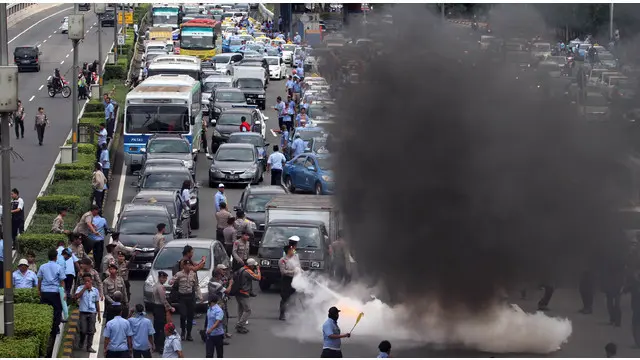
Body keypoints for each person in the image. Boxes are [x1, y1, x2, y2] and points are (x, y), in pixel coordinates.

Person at [170, 259, 202, 341]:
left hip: (190, 297)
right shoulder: (179, 274)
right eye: (186, 265)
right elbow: (172, 280)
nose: (188, 266)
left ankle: (189, 334)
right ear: (183, 266)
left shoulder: (193, 274)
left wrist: (200, 296)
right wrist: (171, 281)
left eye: (189, 265)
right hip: (182, 297)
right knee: (183, 315)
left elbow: (196, 286)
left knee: (190, 316)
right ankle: (183, 332)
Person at [38, 248, 66, 335]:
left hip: (45, 292)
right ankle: (55, 329)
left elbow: (39, 280)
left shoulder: (42, 266)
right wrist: (63, 293)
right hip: (55, 292)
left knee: (45, 310)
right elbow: (62, 282)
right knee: (57, 311)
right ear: (56, 257)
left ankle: (45, 329)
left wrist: (39, 290)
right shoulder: (59, 267)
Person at [75, 272, 101, 353]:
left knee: (91, 331)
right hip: (83, 312)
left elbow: (97, 302)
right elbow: (76, 297)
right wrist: (84, 289)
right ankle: (81, 341)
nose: (87, 283)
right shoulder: (80, 288)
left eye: (88, 281)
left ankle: (89, 347)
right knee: (83, 330)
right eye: (85, 281)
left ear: (91, 281)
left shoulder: (95, 290)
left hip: (92, 312)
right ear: (83, 281)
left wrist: (99, 314)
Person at [234, 257, 261, 334]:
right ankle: (240, 325)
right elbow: (258, 278)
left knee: (241, 308)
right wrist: (258, 269)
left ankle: (240, 323)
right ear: (251, 266)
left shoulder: (241, 269)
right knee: (248, 310)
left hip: (237, 292)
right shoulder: (247, 271)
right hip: (243, 293)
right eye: (254, 266)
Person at [152, 271, 175, 354]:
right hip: (160, 308)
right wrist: (170, 308)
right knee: (162, 328)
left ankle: (156, 345)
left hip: (155, 307)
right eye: (163, 278)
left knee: (156, 328)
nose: (164, 279)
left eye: (165, 278)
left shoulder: (155, 285)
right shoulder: (160, 287)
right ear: (160, 278)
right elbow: (163, 300)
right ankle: (160, 346)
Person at [278, 245, 300, 321]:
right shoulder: (282, 260)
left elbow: (298, 267)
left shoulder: (295, 259)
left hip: (295, 279)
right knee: (285, 297)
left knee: (293, 297)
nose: (294, 251)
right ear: (288, 251)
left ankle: (292, 314)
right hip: (286, 280)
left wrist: (301, 271)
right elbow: (283, 272)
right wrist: (293, 271)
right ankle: (282, 314)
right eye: (292, 250)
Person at [205, 293, 225, 358]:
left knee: (219, 354)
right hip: (209, 335)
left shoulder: (218, 310)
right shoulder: (209, 309)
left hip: (218, 335)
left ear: (211, 301)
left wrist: (210, 329)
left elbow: (217, 322)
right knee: (209, 355)